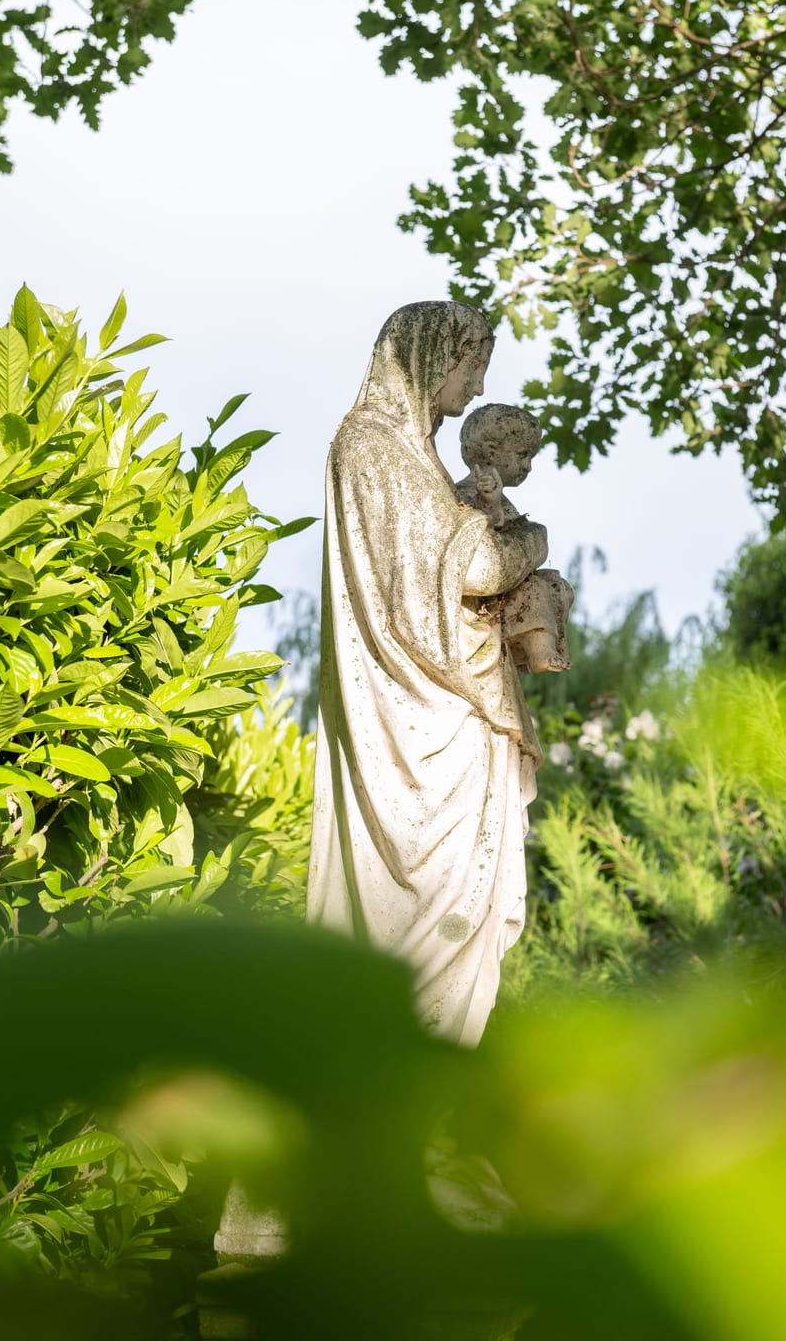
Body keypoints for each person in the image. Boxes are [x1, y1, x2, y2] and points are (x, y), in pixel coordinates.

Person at [306, 301, 548, 1046]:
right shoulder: (372, 448)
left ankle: (430, 1105)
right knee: (418, 916)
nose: (475, 389)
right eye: (471, 367)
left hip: (448, 713)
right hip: (413, 724)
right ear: (431, 358)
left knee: (458, 924)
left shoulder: (417, 460)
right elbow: (472, 569)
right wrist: (532, 544)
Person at [455, 403, 575, 674]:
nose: (528, 466)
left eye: (531, 457)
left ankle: (545, 648)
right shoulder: (463, 492)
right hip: (495, 591)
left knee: (557, 586)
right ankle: (539, 651)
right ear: (491, 452)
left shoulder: (503, 497)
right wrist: (490, 504)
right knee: (534, 590)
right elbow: (480, 539)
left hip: (509, 583)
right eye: (522, 455)